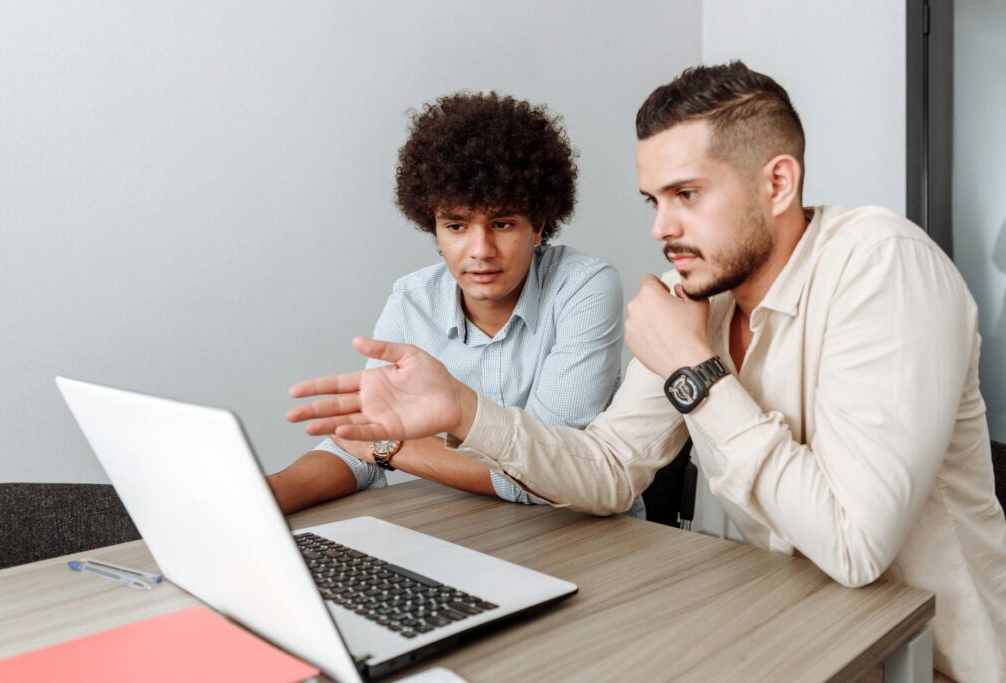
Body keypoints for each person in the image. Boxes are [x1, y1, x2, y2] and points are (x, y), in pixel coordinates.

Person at [286, 62, 1006, 680]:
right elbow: (607, 470)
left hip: (917, 659)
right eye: (653, 201)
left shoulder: (882, 263)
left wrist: (693, 368)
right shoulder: (702, 293)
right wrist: (465, 411)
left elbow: (855, 545)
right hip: (775, 632)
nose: (661, 228)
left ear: (777, 182)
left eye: (687, 195)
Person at [270, 91, 643, 518]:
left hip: (592, 543)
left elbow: (547, 472)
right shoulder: (412, 300)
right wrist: (263, 495)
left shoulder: (584, 287)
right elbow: (357, 444)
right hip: (469, 532)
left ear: (538, 226)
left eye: (502, 224)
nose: (480, 250)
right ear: (434, 229)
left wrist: (388, 447)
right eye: (457, 225)